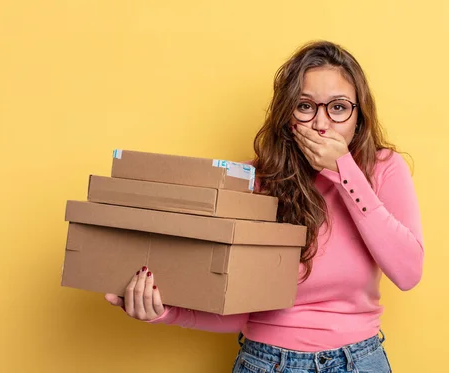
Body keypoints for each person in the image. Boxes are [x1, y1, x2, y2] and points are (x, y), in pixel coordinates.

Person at [104, 40, 424, 373]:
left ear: (358, 117)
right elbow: (239, 308)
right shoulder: (252, 181)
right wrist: (165, 312)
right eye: (305, 106)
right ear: (287, 117)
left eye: (339, 108)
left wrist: (345, 173)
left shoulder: (383, 169)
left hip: (358, 361)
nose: (321, 124)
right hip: (267, 362)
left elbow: (408, 272)